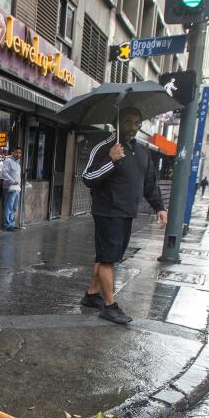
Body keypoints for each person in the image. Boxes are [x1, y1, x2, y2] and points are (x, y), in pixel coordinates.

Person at [79, 107, 168, 325]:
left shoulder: (142, 152)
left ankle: (92, 295)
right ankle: (109, 306)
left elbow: (149, 184)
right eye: (127, 122)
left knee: (108, 256)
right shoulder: (105, 147)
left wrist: (159, 207)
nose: (133, 127)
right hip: (107, 211)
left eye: (137, 123)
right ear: (116, 123)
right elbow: (88, 177)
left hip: (128, 212)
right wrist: (111, 160)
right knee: (108, 258)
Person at [1, 146, 23, 230]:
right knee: (9, 206)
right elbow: (4, 172)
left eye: (19, 153)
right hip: (9, 188)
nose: (18, 154)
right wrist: (12, 181)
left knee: (14, 207)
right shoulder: (8, 161)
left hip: (17, 188)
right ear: (13, 153)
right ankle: (7, 225)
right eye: (17, 152)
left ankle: (12, 224)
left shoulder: (18, 163)